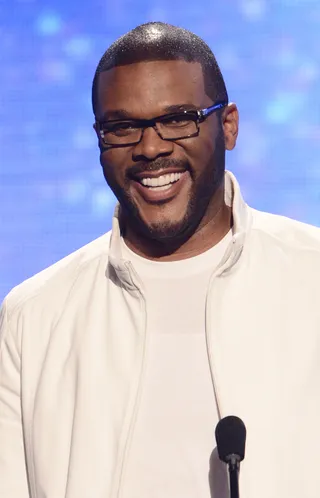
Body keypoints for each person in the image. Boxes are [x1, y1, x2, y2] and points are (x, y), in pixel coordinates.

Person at [0, 21, 320, 498]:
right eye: (123, 127)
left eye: (178, 118)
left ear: (228, 125)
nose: (151, 148)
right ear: (99, 140)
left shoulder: (309, 275)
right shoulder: (33, 317)